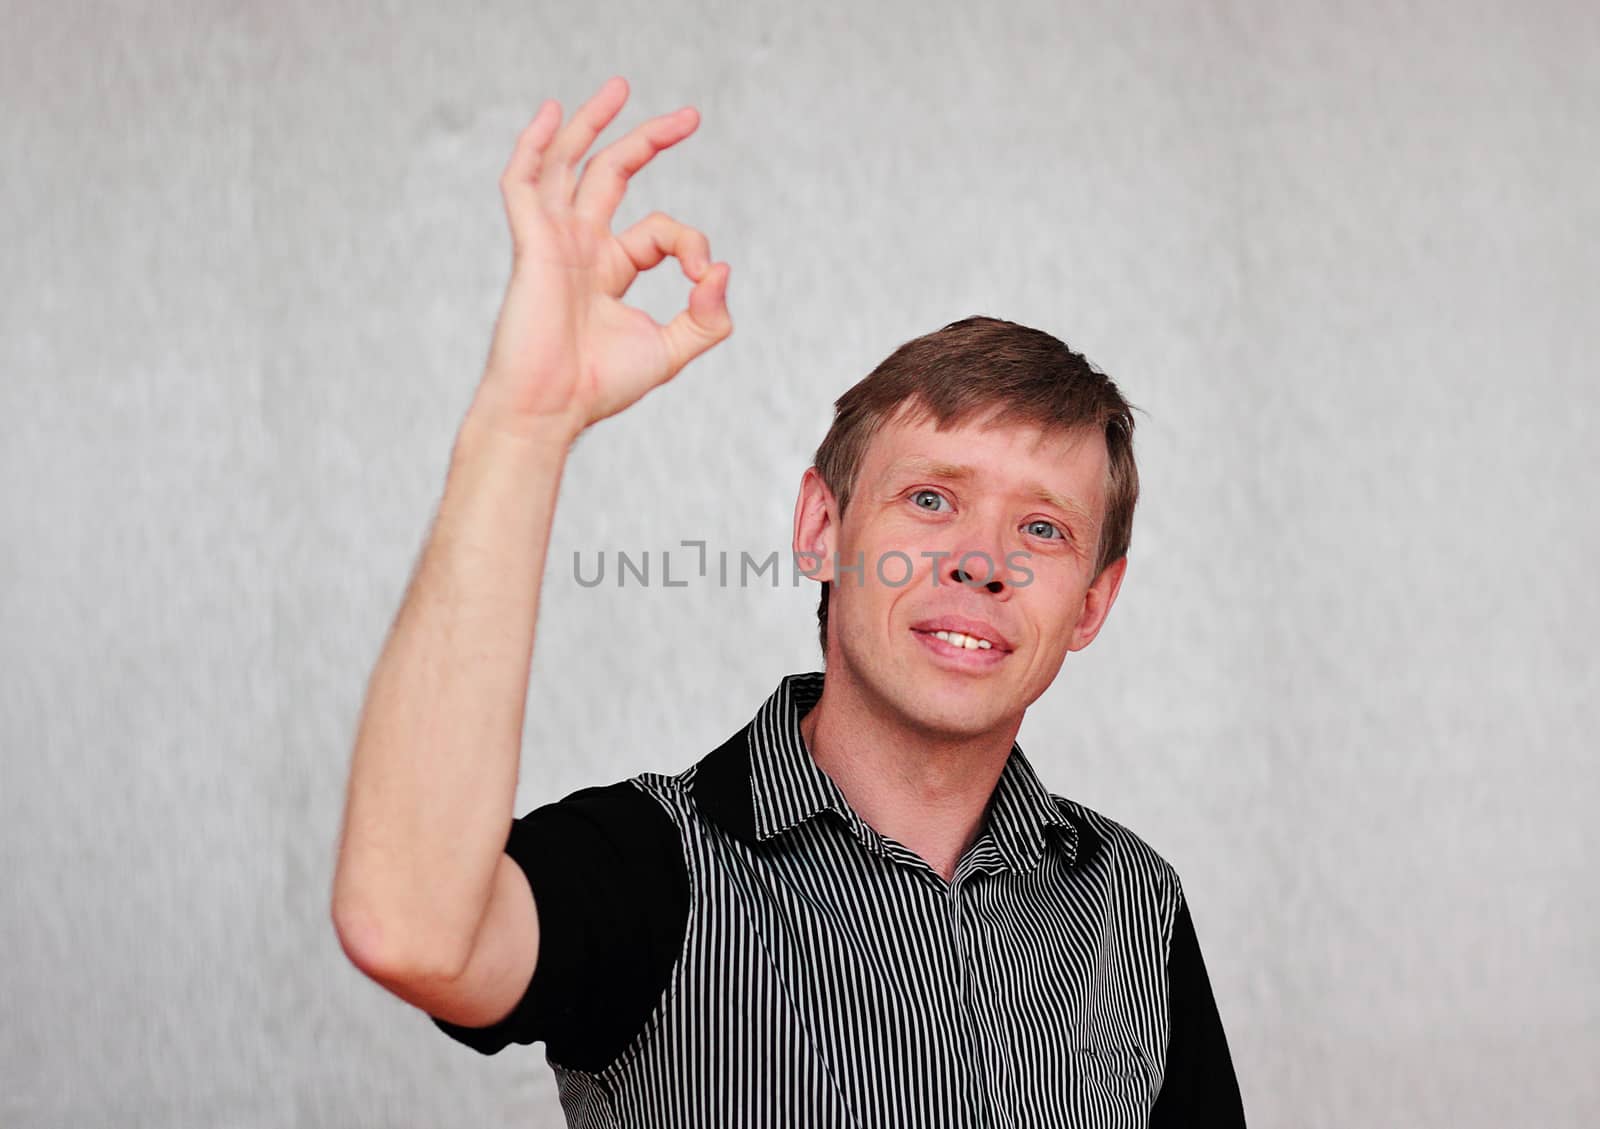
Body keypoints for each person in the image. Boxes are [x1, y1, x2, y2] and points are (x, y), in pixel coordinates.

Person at [331, 75, 1246, 1128]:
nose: (982, 560)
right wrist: (524, 426)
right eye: (931, 497)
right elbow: (409, 925)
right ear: (821, 528)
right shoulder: (652, 870)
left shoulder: (1130, 904)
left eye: (1042, 528)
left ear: (1091, 603)